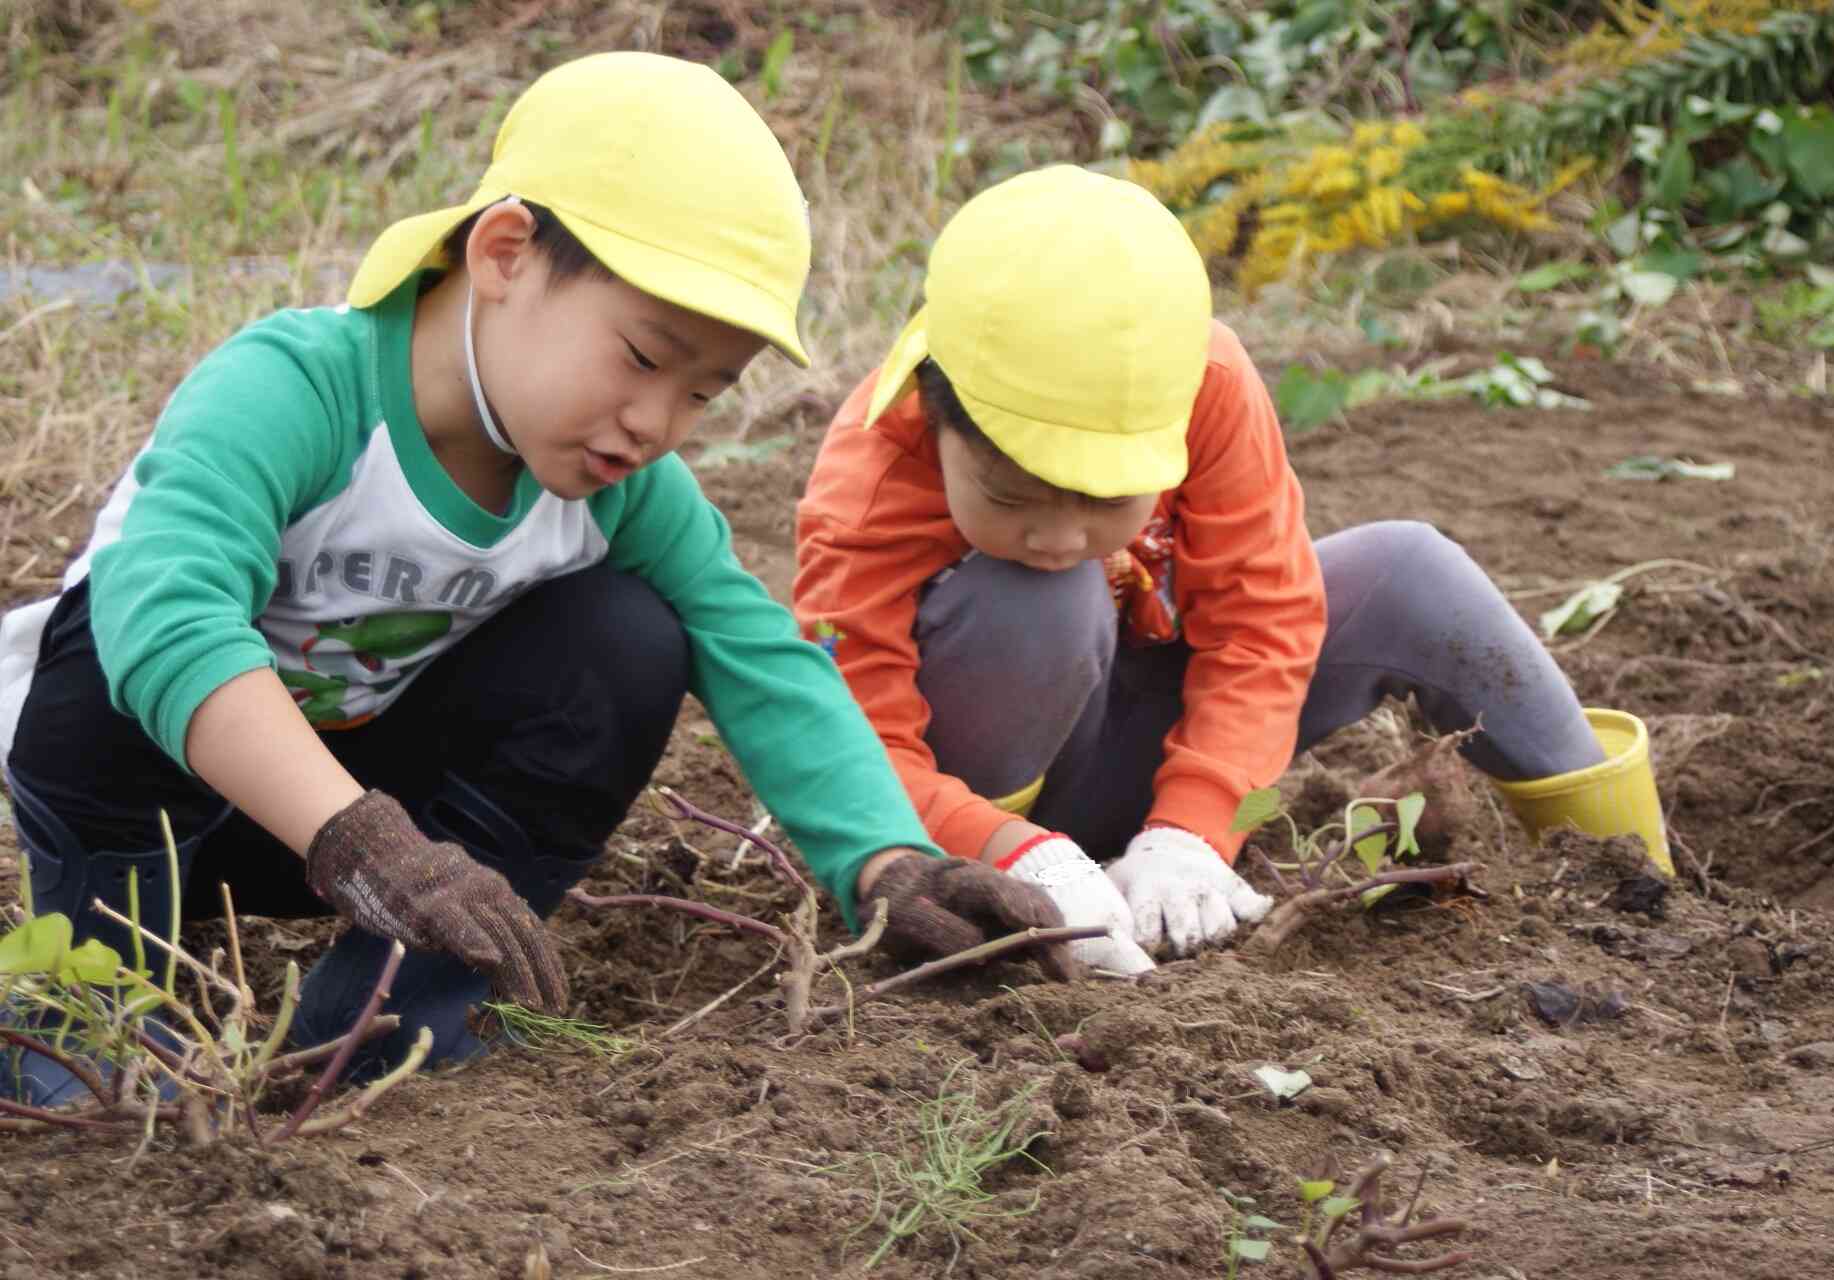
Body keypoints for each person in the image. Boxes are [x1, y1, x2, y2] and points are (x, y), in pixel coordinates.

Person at [0, 52, 1067, 1108]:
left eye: (703, 392)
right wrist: (356, 837)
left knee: (628, 639)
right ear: (505, 252)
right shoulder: (298, 391)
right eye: (645, 358)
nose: (658, 422)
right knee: (114, 643)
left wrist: (889, 864)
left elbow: (758, 653)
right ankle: (81, 1009)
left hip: (379, 831)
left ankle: (391, 1013)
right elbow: (171, 618)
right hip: (151, 812)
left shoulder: (615, 488)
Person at [793, 164, 1619, 976]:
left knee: (1409, 569)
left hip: (1134, 748)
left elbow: (1260, 621)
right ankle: (1010, 891)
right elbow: (852, 740)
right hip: (966, 803)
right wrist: (1013, 852)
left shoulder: (1205, 383)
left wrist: (1193, 830)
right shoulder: (873, 473)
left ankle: (1628, 876)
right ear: (938, 413)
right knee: (1039, 592)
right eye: (1009, 497)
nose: (1057, 533)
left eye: (1104, 499)